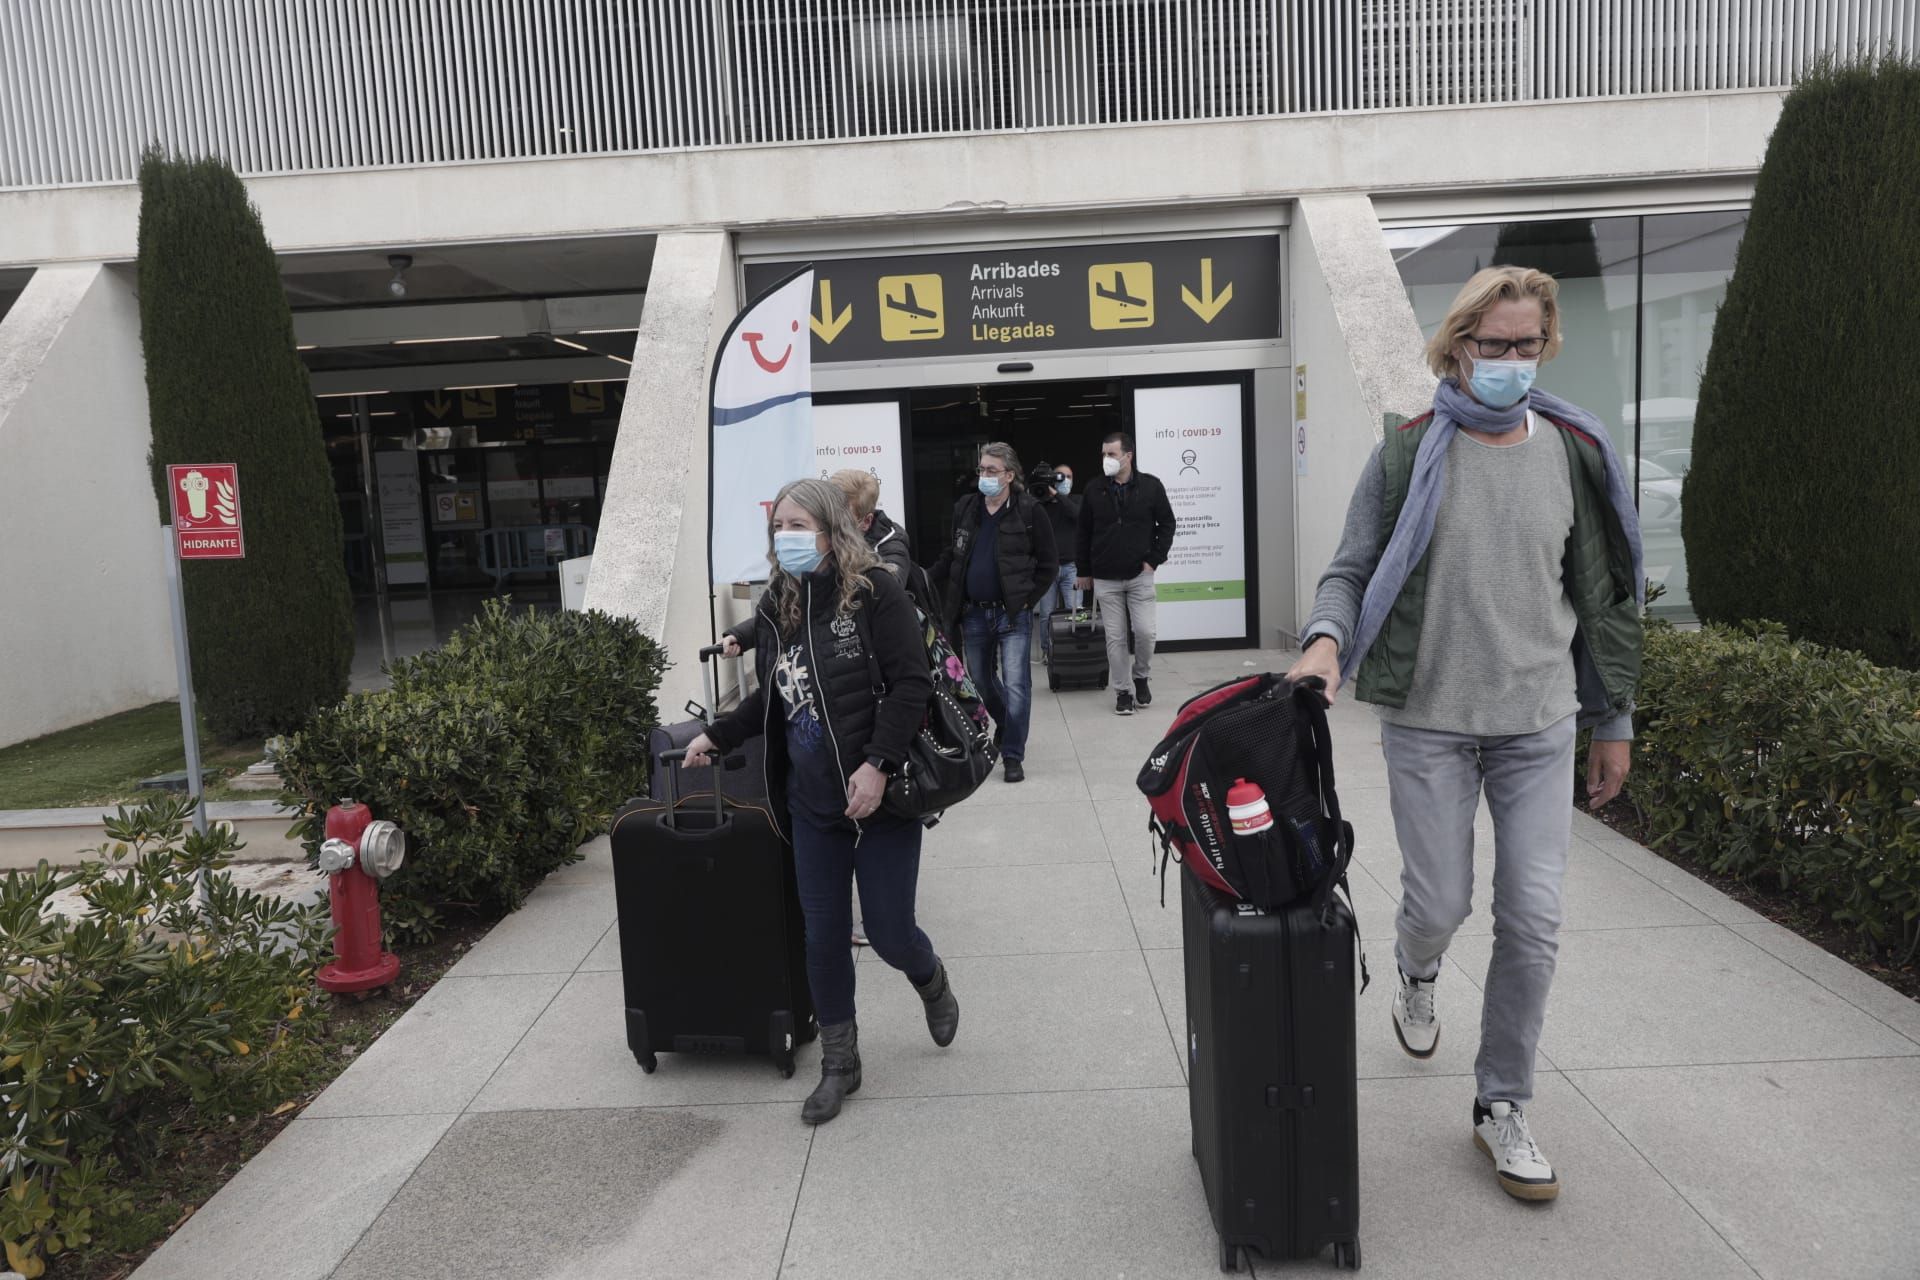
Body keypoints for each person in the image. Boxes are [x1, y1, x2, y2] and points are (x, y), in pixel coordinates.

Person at [1286, 265, 1644, 1202]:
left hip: (1537, 723)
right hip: (1431, 722)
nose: (1514, 363)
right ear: (1456, 350)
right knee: (1439, 902)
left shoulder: (1574, 451)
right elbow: (1352, 568)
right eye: (1496, 347)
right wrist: (1327, 644)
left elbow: (1602, 600)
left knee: (1533, 919)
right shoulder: (1407, 454)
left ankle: (1501, 1105)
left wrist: (1613, 718)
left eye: (1529, 346)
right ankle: (1417, 966)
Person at [686, 478, 958, 1127]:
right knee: (824, 934)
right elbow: (773, 698)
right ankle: (842, 1063)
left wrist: (876, 765)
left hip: (882, 798)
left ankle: (929, 977)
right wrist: (716, 733)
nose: (787, 536)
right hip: (812, 805)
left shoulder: (875, 594)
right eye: (780, 525)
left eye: (800, 524)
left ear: (833, 531)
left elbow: (913, 683)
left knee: (890, 932)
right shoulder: (779, 603)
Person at [929, 442, 1057, 784]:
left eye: (991, 471)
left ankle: (1013, 753)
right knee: (981, 681)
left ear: (1009, 475)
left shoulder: (1030, 511)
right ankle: (1008, 725)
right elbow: (952, 554)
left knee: (1017, 684)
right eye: (981, 470)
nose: (984, 476)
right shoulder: (966, 508)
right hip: (973, 613)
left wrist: (1027, 600)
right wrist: (925, 577)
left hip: (1012, 615)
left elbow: (1049, 565)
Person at [1075, 431, 1176, 715]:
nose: (1106, 459)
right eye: (1103, 454)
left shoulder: (1151, 487)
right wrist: (1084, 570)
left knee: (1145, 632)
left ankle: (1141, 676)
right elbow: (1083, 531)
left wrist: (1153, 560)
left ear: (1128, 456)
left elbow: (1167, 525)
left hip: (1139, 575)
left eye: (1111, 454)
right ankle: (1122, 691)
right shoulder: (1094, 489)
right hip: (1105, 577)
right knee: (1115, 638)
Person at [1028, 460, 1082, 662]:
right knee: (1046, 614)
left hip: (1072, 567)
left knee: (1074, 612)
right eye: (1060, 476)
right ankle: (1047, 652)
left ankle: (1075, 649)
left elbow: (1077, 516)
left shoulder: (1076, 500)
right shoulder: (1041, 501)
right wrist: (1043, 493)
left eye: (1068, 477)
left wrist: (1057, 495)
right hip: (1047, 568)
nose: (1064, 480)